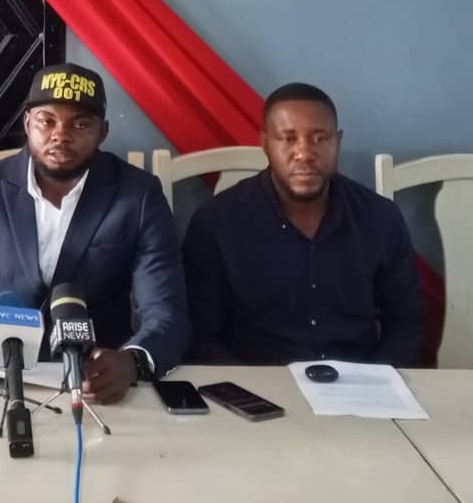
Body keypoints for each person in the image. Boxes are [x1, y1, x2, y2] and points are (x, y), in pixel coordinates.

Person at [0, 63, 189, 403]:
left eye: (80, 124)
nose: (61, 135)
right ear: (27, 123)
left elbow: (166, 309)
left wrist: (133, 362)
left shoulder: (139, 196)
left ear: (103, 132)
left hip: (97, 382)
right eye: (47, 121)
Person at [182, 83, 424, 366]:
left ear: (338, 142)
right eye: (288, 139)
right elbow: (199, 335)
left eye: (320, 139)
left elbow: (406, 321)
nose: (305, 153)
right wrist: (249, 387)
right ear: (265, 144)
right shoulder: (217, 223)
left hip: (361, 380)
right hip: (256, 382)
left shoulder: (380, 218)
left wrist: (376, 378)